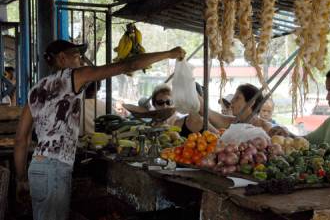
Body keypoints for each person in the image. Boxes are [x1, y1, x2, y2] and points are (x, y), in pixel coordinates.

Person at [14, 39, 185, 220]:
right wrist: (168, 54)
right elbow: (129, 65)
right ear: (62, 58)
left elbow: (20, 140)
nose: (81, 61)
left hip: (38, 167)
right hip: (55, 168)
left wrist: (21, 178)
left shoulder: (36, 90)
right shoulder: (72, 76)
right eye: (77, 56)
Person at [200, 83, 275, 136]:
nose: (232, 101)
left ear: (251, 102)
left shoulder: (266, 128)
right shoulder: (232, 122)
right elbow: (208, 112)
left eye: (237, 98)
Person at [151, 84, 218, 136]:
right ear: (154, 104)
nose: (165, 106)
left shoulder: (208, 122)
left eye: (169, 102)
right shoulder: (178, 123)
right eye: (160, 102)